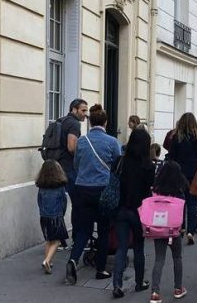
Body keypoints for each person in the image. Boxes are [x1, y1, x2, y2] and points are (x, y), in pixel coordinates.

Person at [66, 104, 122, 285]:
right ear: (105, 122)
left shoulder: (82, 141)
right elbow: (118, 167)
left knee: (84, 229)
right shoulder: (113, 142)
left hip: (82, 188)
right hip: (103, 189)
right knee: (104, 230)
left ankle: (73, 260)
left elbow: (76, 164)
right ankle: (101, 269)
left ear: (90, 123)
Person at [112, 129, 155, 298]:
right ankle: (139, 282)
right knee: (138, 247)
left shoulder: (119, 161)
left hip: (121, 208)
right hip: (140, 211)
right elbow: (150, 189)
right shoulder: (148, 166)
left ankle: (117, 284)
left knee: (121, 247)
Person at [149, 161, 190, 303]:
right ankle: (178, 288)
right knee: (177, 258)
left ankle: (155, 292)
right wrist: (183, 228)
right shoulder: (179, 192)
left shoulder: (156, 190)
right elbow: (182, 211)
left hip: (158, 228)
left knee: (159, 258)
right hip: (174, 230)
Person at [165, 113, 197, 245]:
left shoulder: (176, 138)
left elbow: (171, 157)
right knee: (192, 204)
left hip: (179, 174)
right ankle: (191, 231)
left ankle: (180, 227)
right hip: (194, 175)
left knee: (179, 202)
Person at [57, 99, 88, 250]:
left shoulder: (62, 121)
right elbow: (71, 147)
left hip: (56, 167)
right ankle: (76, 238)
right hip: (69, 168)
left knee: (59, 204)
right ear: (74, 110)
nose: (85, 114)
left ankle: (58, 239)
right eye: (83, 110)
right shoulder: (74, 124)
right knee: (78, 203)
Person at [36, 160, 69, 274]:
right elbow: (63, 202)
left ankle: (48, 261)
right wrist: (62, 213)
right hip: (56, 216)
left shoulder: (41, 187)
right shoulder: (60, 187)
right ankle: (47, 261)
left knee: (49, 240)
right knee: (56, 241)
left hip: (44, 216)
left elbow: (39, 202)